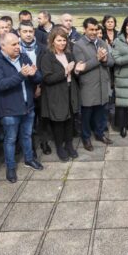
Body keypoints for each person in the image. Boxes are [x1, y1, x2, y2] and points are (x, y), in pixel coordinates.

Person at [0, 31, 44, 179]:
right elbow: (0, 85)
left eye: (18, 43)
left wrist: (34, 74)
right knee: (10, 139)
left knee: (27, 135)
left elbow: (38, 78)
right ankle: (10, 167)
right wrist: (21, 75)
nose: (18, 47)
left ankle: (29, 159)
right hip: (9, 110)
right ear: (3, 46)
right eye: (14, 44)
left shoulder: (23, 57)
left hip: (28, 106)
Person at [40, 27, 81, 161]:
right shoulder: (47, 57)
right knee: (59, 121)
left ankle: (69, 145)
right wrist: (65, 71)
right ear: (52, 41)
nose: (62, 43)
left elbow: (74, 74)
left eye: (64, 40)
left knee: (70, 119)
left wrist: (77, 71)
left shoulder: (69, 54)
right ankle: (59, 147)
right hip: (56, 94)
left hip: (70, 91)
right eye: (59, 40)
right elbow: (47, 78)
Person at [73, 18, 114, 150]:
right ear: (85, 29)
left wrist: (105, 59)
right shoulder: (78, 45)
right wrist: (97, 59)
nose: (94, 32)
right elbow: (82, 67)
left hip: (103, 86)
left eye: (96, 29)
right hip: (88, 87)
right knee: (86, 116)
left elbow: (111, 62)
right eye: (91, 29)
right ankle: (86, 138)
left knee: (101, 114)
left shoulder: (102, 42)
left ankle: (100, 134)